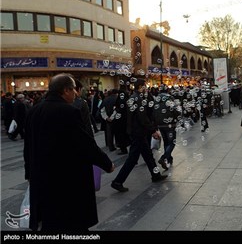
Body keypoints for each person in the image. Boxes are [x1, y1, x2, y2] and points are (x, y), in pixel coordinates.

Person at [23, 73, 115, 231]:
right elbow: (85, 143)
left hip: (41, 176)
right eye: (74, 90)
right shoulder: (68, 111)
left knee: (49, 220)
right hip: (65, 178)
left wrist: (29, 173)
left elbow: (28, 146)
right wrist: (106, 163)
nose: (76, 94)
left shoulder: (34, 111)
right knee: (72, 221)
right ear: (65, 90)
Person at [111, 78, 167, 192]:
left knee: (148, 155)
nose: (146, 88)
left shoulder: (133, 98)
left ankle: (155, 174)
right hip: (138, 132)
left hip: (136, 131)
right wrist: (153, 130)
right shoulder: (138, 99)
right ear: (140, 87)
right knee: (132, 159)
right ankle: (117, 181)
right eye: (144, 86)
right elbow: (142, 118)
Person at [153, 84, 181, 170]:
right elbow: (176, 110)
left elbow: (153, 112)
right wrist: (177, 116)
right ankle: (164, 158)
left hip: (160, 124)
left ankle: (168, 159)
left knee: (166, 142)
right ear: (167, 90)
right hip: (170, 124)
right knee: (172, 142)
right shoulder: (170, 98)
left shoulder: (156, 99)